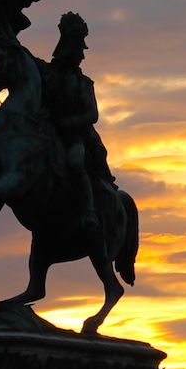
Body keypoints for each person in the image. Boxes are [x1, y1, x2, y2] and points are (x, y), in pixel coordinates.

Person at [43, 12, 115, 231]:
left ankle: (89, 210)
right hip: (48, 131)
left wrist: (69, 122)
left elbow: (92, 115)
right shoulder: (48, 74)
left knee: (75, 162)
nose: (82, 56)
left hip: (76, 136)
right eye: (79, 49)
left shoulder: (84, 83)